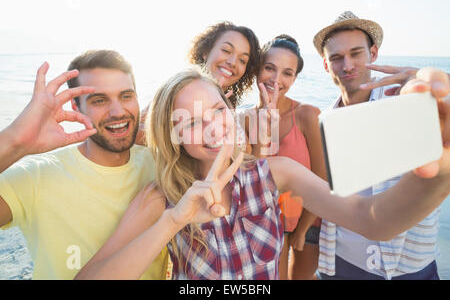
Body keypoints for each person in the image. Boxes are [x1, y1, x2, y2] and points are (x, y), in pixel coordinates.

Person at [74, 67, 450, 280]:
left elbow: (372, 220)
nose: (213, 129)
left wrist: (439, 168)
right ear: (173, 137)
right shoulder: (161, 199)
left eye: (218, 111)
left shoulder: (277, 173)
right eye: (190, 122)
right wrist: (173, 221)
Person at [0, 50, 168, 279]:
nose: (118, 111)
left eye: (126, 96)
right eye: (99, 100)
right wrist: (16, 140)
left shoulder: (160, 164)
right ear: (76, 108)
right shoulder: (36, 176)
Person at [313, 11, 450, 280]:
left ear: (373, 53)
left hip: (408, 267)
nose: (348, 65)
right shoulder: (323, 121)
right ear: (327, 66)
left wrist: (438, 93)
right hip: (339, 264)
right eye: (337, 58)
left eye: (356, 53)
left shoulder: (407, 103)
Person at [251, 35, 326, 280]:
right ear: (257, 68)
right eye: (269, 68)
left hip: (308, 222)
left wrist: (303, 229)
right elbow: (253, 180)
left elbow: (322, 178)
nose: (276, 79)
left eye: (287, 73)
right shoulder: (245, 119)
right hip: (266, 225)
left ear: (294, 78)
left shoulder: (306, 114)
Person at [188, 21, 260, 107]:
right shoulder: (180, 94)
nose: (233, 62)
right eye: (226, 51)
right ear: (206, 51)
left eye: (242, 60)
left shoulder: (230, 111)